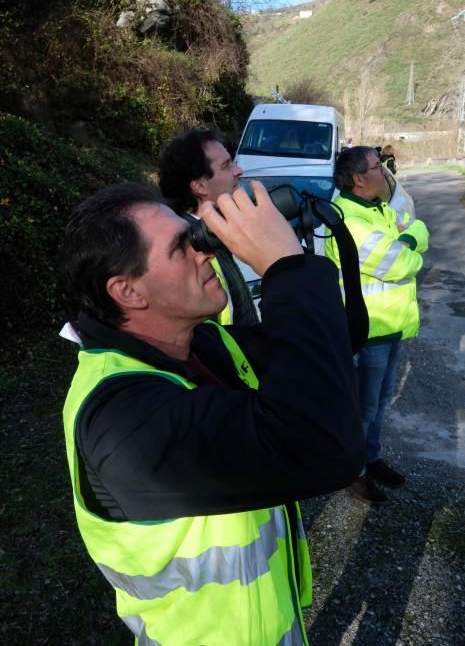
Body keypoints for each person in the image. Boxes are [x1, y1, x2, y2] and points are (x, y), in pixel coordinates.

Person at [62, 181, 366, 645]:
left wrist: (297, 253)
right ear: (128, 291)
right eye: (182, 249)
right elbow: (327, 445)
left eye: (195, 236)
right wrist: (285, 268)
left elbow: (333, 347)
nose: (206, 253)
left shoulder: (204, 343)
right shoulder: (123, 419)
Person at [326, 147, 429, 505]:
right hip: (369, 331)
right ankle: (353, 472)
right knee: (363, 408)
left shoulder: (378, 209)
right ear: (358, 178)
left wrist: (408, 239)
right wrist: (409, 244)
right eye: (377, 167)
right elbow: (400, 264)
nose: (385, 172)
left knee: (380, 402)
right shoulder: (350, 221)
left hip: (390, 326)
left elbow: (416, 230)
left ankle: (370, 459)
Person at [158, 127, 259, 325]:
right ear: (199, 186)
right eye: (226, 165)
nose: (238, 171)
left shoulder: (210, 231)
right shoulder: (188, 248)